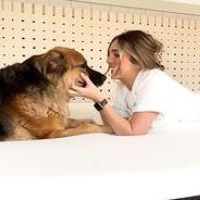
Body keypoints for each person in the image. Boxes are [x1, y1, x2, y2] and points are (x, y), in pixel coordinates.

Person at [69, 30, 200, 136]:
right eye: (109, 54)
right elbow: (114, 123)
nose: (108, 60)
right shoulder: (124, 87)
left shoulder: (154, 82)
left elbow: (134, 131)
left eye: (116, 55)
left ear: (136, 58)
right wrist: (96, 99)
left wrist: (98, 97)